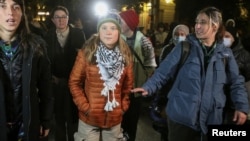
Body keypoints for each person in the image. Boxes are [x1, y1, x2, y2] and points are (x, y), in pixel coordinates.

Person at [131, 6, 249, 141]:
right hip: (181, 118)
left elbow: (236, 83)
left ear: (215, 26)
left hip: (212, 119)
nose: (197, 26)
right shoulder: (184, 47)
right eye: (196, 22)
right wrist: (148, 87)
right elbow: (163, 72)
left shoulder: (226, 54)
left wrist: (241, 106)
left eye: (202, 22)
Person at [68, 10, 134, 141]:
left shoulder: (126, 55)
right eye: (104, 28)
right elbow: (74, 82)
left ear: (119, 32)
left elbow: (128, 86)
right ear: (99, 31)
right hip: (89, 120)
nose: (108, 32)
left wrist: (122, 107)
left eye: (113, 28)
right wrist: (86, 108)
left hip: (114, 120)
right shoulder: (86, 53)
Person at [0, 0, 54, 141]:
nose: (10, 12)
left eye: (16, 7)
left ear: (22, 13)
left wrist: (45, 120)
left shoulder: (36, 46)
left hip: (27, 126)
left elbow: (46, 87)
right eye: (2, 6)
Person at [44, 5, 85, 141]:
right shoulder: (48, 36)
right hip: (56, 84)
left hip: (75, 84)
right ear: (52, 20)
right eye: (57, 17)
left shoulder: (78, 34)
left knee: (74, 118)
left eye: (63, 17)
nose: (61, 20)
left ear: (68, 18)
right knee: (59, 118)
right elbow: (45, 61)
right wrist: (50, 78)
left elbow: (85, 59)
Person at [119, 9, 157, 141]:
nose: (118, 24)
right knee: (118, 122)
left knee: (132, 121)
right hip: (119, 89)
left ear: (129, 23)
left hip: (136, 90)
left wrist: (143, 81)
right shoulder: (116, 39)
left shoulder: (145, 42)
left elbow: (151, 66)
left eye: (121, 21)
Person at [149, 24, 190, 141]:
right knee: (166, 126)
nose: (179, 36)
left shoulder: (192, 49)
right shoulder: (167, 49)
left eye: (182, 34)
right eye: (177, 34)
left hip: (184, 93)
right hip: (168, 92)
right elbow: (162, 71)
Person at [222, 26, 250, 124]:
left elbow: (247, 78)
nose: (224, 39)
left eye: (227, 36)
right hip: (221, 100)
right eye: (222, 36)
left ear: (233, 38)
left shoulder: (244, 55)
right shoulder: (218, 52)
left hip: (235, 102)